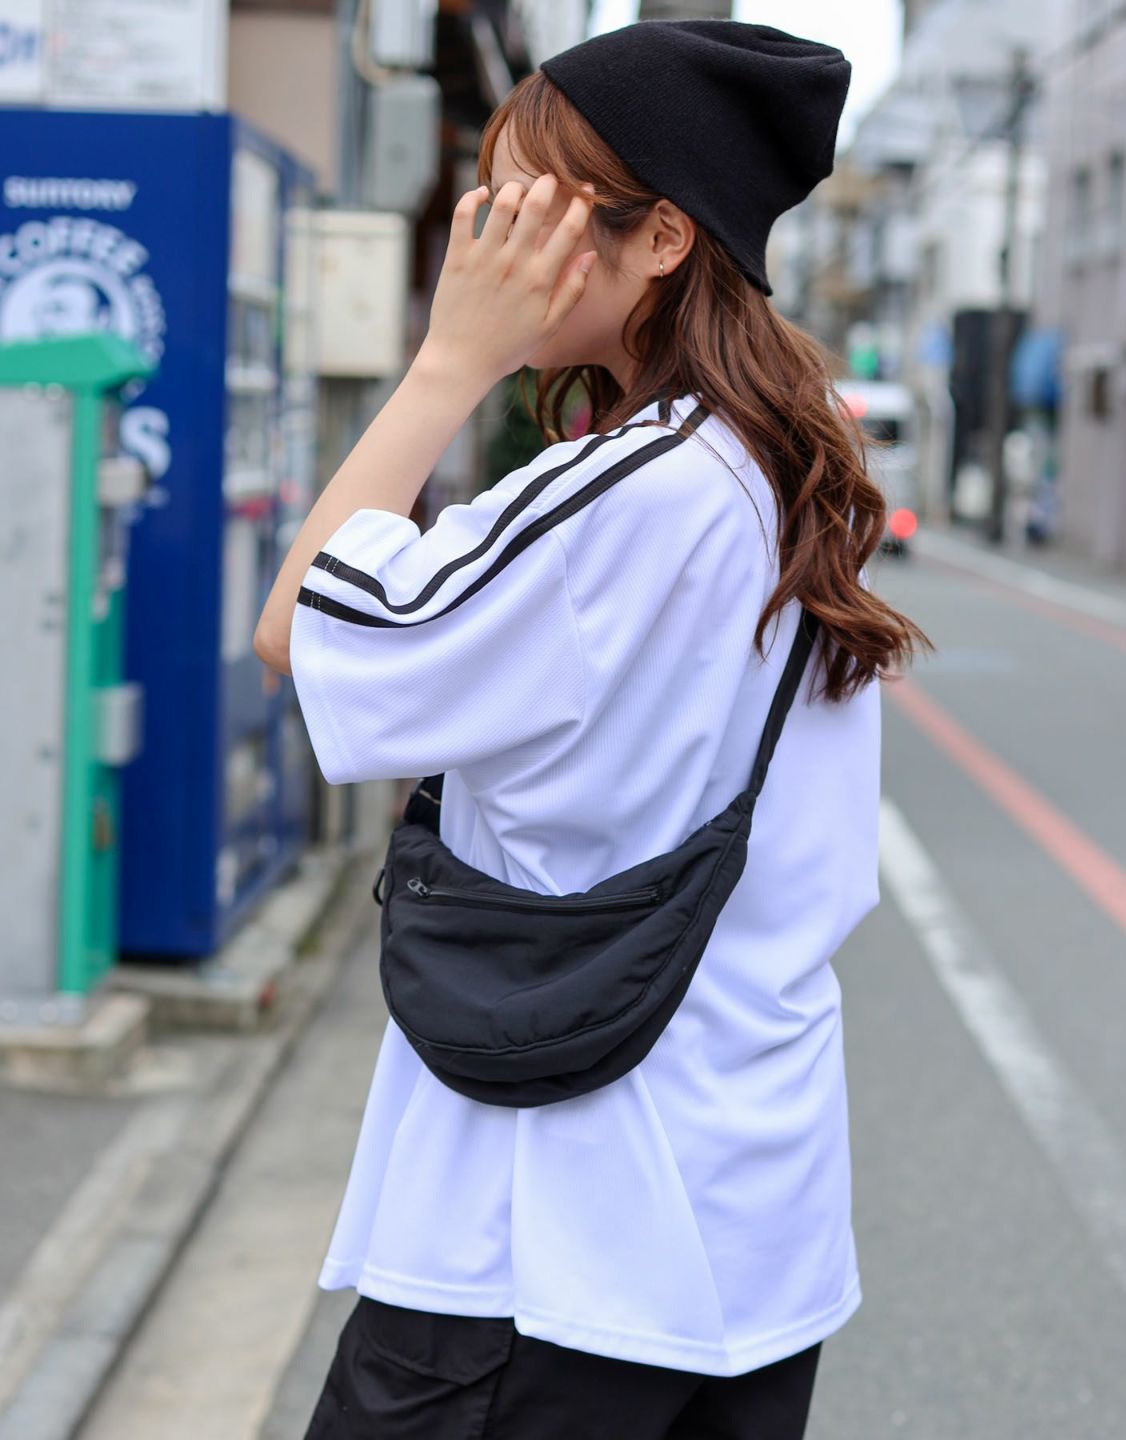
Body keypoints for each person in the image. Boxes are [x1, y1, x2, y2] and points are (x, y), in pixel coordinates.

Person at [254, 18, 932, 1439]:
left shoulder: (631, 490)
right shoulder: (774, 467)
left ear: (664, 237)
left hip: (551, 1237)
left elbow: (301, 628)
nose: (482, 239)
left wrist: (448, 365)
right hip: (747, 1222)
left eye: (522, 206)